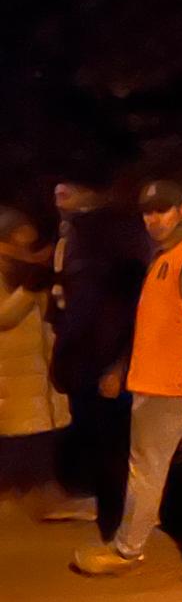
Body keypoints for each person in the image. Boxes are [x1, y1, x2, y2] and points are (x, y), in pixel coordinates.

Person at [73, 182, 182, 576]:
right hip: (170, 384)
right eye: (147, 212)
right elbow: (156, 325)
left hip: (170, 387)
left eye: (162, 210)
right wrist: (124, 369)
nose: (153, 219)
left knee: (147, 470)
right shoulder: (169, 255)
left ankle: (127, 549)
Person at [46, 172, 146, 527]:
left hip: (102, 354)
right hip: (94, 353)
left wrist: (118, 363)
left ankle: (117, 519)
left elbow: (101, 304)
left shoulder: (99, 235)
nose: (60, 192)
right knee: (102, 436)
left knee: (111, 439)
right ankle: (107, 506)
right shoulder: (80, 232)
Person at [0, 210, 70, 504]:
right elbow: (4, 317)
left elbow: (47, 320)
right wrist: (29, 290)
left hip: (37, 372)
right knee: (14, 439)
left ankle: (41, 494)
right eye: (18, 243)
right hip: (9, 376)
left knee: (37, 438)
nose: (25, 252)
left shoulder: (27, 273)